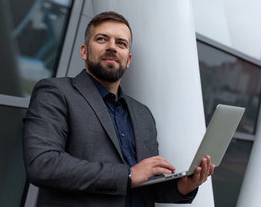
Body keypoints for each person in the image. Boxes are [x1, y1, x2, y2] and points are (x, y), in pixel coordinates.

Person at [22, 11, 214, 207]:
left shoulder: (143, 114)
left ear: (128, 60)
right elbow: (42, 164)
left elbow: (146, 186)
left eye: (120, 43)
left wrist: (185, 186)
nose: (112, 47)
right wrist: (128, 174)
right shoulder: (56, 93)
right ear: (84, 51)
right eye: (102, 39)